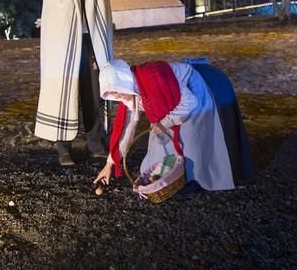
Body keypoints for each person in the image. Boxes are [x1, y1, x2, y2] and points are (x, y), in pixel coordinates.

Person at [93, 59, 253, 192]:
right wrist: (109, 165)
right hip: (170, 110)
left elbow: (189, 102)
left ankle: (194, 178)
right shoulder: (128, 95)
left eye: (116, 90)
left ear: (123, 80)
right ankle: (169, 178)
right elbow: (126, 130)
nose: (117, 96)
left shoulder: (152, 76)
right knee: (158, 146)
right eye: (111, 93)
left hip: (194, 93)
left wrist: (164, 123)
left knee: (191, 139)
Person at [35, 0, 114, 166]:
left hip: (91, 46)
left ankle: (95, 144)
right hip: (63, 50)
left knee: (92, 97)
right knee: (64, 96)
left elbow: (103, 21)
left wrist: (102, 53)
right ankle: (63, 149)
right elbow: (54, 26)